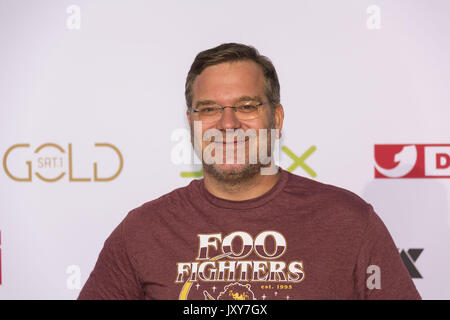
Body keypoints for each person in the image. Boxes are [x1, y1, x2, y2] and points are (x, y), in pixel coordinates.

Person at [78, 43, 421, 300]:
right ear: (191, 122)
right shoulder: (143, 230)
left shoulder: (350, 221)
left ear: (277, 118)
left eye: (246, 106)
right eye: (209, 108)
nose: (228, 124)